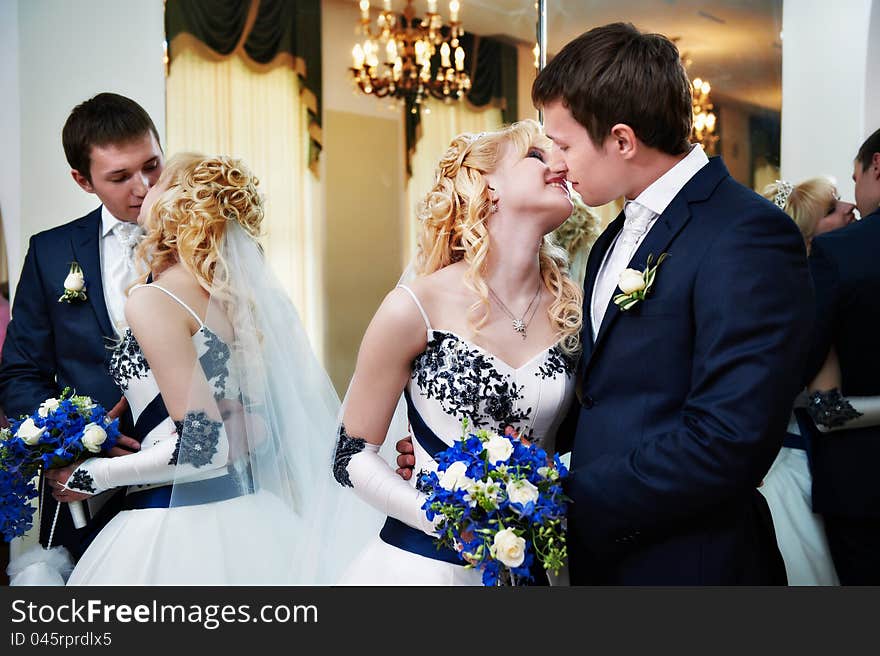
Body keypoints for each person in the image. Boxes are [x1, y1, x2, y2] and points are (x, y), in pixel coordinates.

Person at [529, 23, 813, 584]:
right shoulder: (613, 235)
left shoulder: (747, 234)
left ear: (622, 140)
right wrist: (488, 462)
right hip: (607, 560)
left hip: (691, 563)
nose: (555, 163)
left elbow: (730, 439)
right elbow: (607, 394)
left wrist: (564, 495)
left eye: (563, 144)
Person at [46, 154, 350, 584]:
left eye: (156, 182)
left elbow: (204, 446)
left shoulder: (155, 300)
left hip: (177, 529)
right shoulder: (235, 300)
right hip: (250, 516)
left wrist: (92, 475)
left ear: (176, 206)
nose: (143, 188)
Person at [333, 120, 582, 585]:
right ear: (488, 186)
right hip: (427, 570)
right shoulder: (414, 307)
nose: (561, 166)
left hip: (539, 570)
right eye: (537, 156)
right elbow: (349, 456)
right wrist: (447, 518)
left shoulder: (574, 311)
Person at [0, 93, 156, 579]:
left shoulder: (203, 242)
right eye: (120, 177)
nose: (145, 187)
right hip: (84, 486)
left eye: (152, 165)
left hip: (186, 475)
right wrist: (73, 444)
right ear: (83, 181)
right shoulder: (50, 252)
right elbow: (22, 372)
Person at [757, 177, 857, 585]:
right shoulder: (807, 304)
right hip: (777, 470)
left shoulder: (816, 294)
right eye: (833, 209)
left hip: (794, 455)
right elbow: (828, 408)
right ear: (810, 235)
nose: (849, 207)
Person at [799, 128, 880, 584]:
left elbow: (824, 404)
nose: (853, 201)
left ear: (877, 166)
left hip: (863, 483)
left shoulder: (842, 254)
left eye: (856, 180)